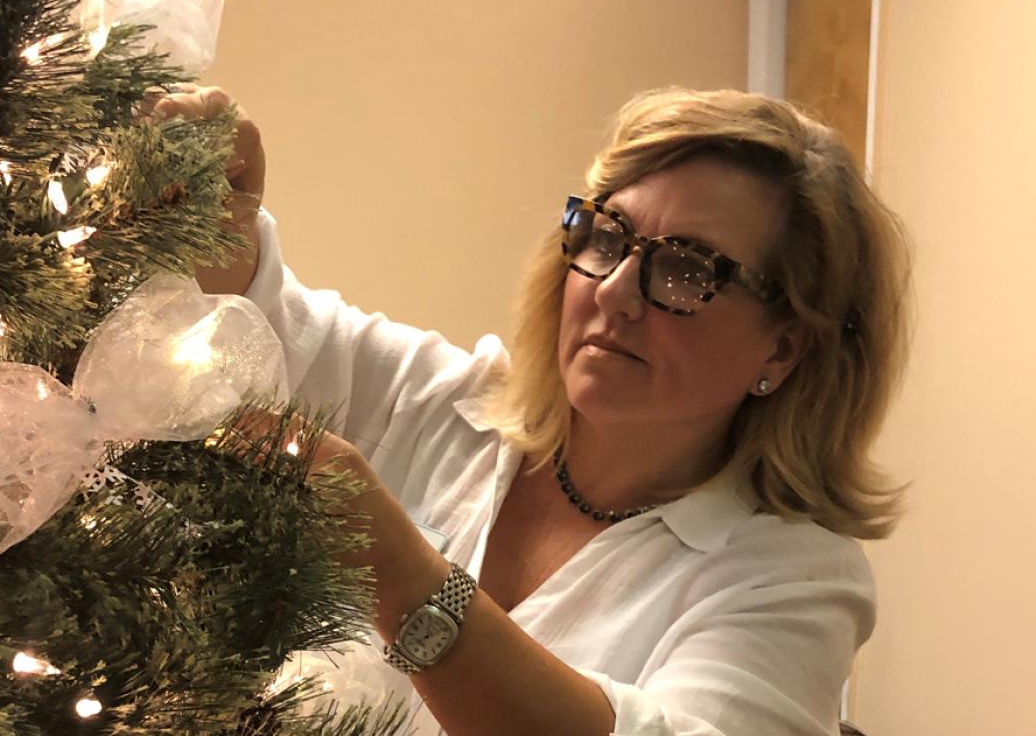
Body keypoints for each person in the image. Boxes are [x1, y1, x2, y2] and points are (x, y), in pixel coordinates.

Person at [161, 85, 911, 736]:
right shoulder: (448, 406)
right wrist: (217, 218)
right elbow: (265, 331)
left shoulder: (792, 578)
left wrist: (406, 577)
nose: (616, 291)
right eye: (610, 236)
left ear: (784, 349)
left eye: (686, 270)